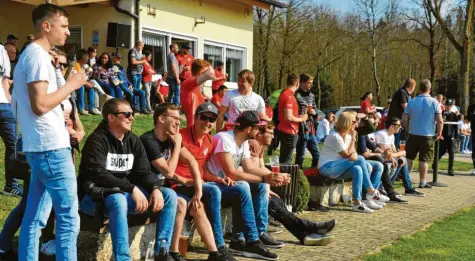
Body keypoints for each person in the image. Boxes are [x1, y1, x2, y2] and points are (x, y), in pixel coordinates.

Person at [11, 4, 87, 260]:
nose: (67, 32)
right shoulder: (36, 56)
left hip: (43, 145)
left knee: (34, 218)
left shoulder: (38, 56)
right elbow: (41, 104)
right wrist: (73, 83)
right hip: (50, 147)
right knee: (68, 217)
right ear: (47, 25)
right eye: (64, 26)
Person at [78, 99, 177, 261]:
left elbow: (144, 171)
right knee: (118, 200)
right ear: (111, 117)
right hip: (95, 197)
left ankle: (162, 252)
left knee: (169, 196)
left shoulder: (133, 140)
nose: (132, 118)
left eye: (133, 114)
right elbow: (98, 175)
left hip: (125, 193)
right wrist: (132, 188)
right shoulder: (96, 140)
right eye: (127, 114)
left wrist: (155, 188)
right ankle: (123, 258)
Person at [141, 102, 236, 261]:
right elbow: (169, 171)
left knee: (197, 204)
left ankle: (214, 252)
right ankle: (169, 252)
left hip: (164, 187)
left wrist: (197, 192)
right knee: (182, 202)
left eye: (180, 118)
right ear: (161, 119)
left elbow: (192, 162)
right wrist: (178, 143)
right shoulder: (148, 140)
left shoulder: (176, 139)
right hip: (148, 188)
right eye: (175, 118)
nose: (179, 122)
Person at [207, 111, 291, 260]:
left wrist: (272, 176)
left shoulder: (243, 142)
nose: (259, 132)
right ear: (248, 129)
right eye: (257, 128)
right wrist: (265, 178)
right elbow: (231, 172)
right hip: (212, 184)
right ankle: (252, 241)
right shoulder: (224, 139)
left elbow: (249, 168)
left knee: (258, 187)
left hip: (227, 185)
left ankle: (246, 238)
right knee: (244, 186)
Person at [249, 121, 337, 245]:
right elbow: (251, 171)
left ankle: (304, 234)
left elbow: (261, 168)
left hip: (257, 185)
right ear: (258, 133)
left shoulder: (260, 146)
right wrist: (269, 182)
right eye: (270, 133)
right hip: (247, 186)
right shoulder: (253, 144)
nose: (273, 136)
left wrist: (268, 187)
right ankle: (311, 228)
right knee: (273, 203)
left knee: (277, 201)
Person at [318, 112, 389, 214]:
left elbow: (353, 154)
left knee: (358, 169)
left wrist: (352, 144)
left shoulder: (347, 136)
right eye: (354, 122)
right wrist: (353, 140)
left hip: (339, 167)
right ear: (346, 122)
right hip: (327, 168)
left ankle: (357, 203)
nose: (356, 124)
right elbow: (347, 155)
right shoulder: (335, 136)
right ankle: (371, 191)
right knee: (360, 159)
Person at [402, 79, 443, 189]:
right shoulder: (435, 102)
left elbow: (404, 119)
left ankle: (407, 179)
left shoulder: (412, 101)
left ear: (419, 88)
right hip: (428, 135)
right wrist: (439, 133)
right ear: (430, 89)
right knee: (424, 159)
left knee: (409, 158)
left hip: (413, 134)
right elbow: (440, 120)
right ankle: (422, 181)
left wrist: (407, 129)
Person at [373, 117, 424, 197]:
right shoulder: (382, 134)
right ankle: (389, 188)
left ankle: (407, 188)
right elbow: (386, 154)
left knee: (402, 160)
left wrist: (400, 154)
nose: (401, 127)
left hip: (385, 158)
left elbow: (394, 152)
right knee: (400, 160)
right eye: (399, 125)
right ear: (392, 126)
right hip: (378, 158)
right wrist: (402, 153)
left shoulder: (391, 136)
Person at [0, 42, 23, 198]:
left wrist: (11, 106)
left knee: (13, 145)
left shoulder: (1, 50)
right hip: (4, 107)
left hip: (3, 106)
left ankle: (11, 185)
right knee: (13, 145)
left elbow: (4, 82)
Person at [277, 73, 307, 164]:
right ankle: (283, 177)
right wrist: (302, 119)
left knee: (284, 159)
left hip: (284, 129)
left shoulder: (283, 93)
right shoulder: (289, 96)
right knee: (286, 161)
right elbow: (288, 116)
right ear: (297, 84)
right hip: (289, 131)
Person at [295, 73, 319, 168]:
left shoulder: (312, 95)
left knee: (317, 154)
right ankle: (297, 176)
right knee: (301, 155)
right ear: (302, 82)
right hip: (301, 128)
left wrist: (314, 112)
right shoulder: (296, 95)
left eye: (311, 83)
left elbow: (316, 110)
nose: (311, 85)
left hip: (311, 128)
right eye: (309, 83)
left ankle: (313, 173)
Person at [180, 59, 214, 127]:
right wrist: (208, 64)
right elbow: (210, 73)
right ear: (200, 72)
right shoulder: (189, 82)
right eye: (205, 72)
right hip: (194, 127)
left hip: (199, 125)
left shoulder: (194, 85)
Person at [387, 78, 416, 149]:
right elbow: (405, 107)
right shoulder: (402, 92)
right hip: (395, 123)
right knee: (395, 144)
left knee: (401, 144)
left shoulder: (405, 93)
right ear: (412, 87)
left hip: (400, 122)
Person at [73, 48, 102, 115]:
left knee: (91, 87)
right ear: (82, 58)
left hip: (82, 82)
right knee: (82, 87)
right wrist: (85, 82)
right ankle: (81, 108)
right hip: (75, 83)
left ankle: (91, 108)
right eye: (86, 59)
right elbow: (77, 78)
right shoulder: (76, 65)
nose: (87, 60)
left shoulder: (82, 65)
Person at [433, 99, 458, 176]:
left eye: (450, 105)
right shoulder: (441, 113)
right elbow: (438, 124)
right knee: (440, 152)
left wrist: (455, 137)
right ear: (445, 105)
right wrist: (438, 134)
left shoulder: (454, 115)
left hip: (451, 137)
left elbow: (455, 126)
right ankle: (435, 165)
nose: (449, 107)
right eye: (447, 105)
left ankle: (450, 169)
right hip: (443, 136)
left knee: (451, 153)